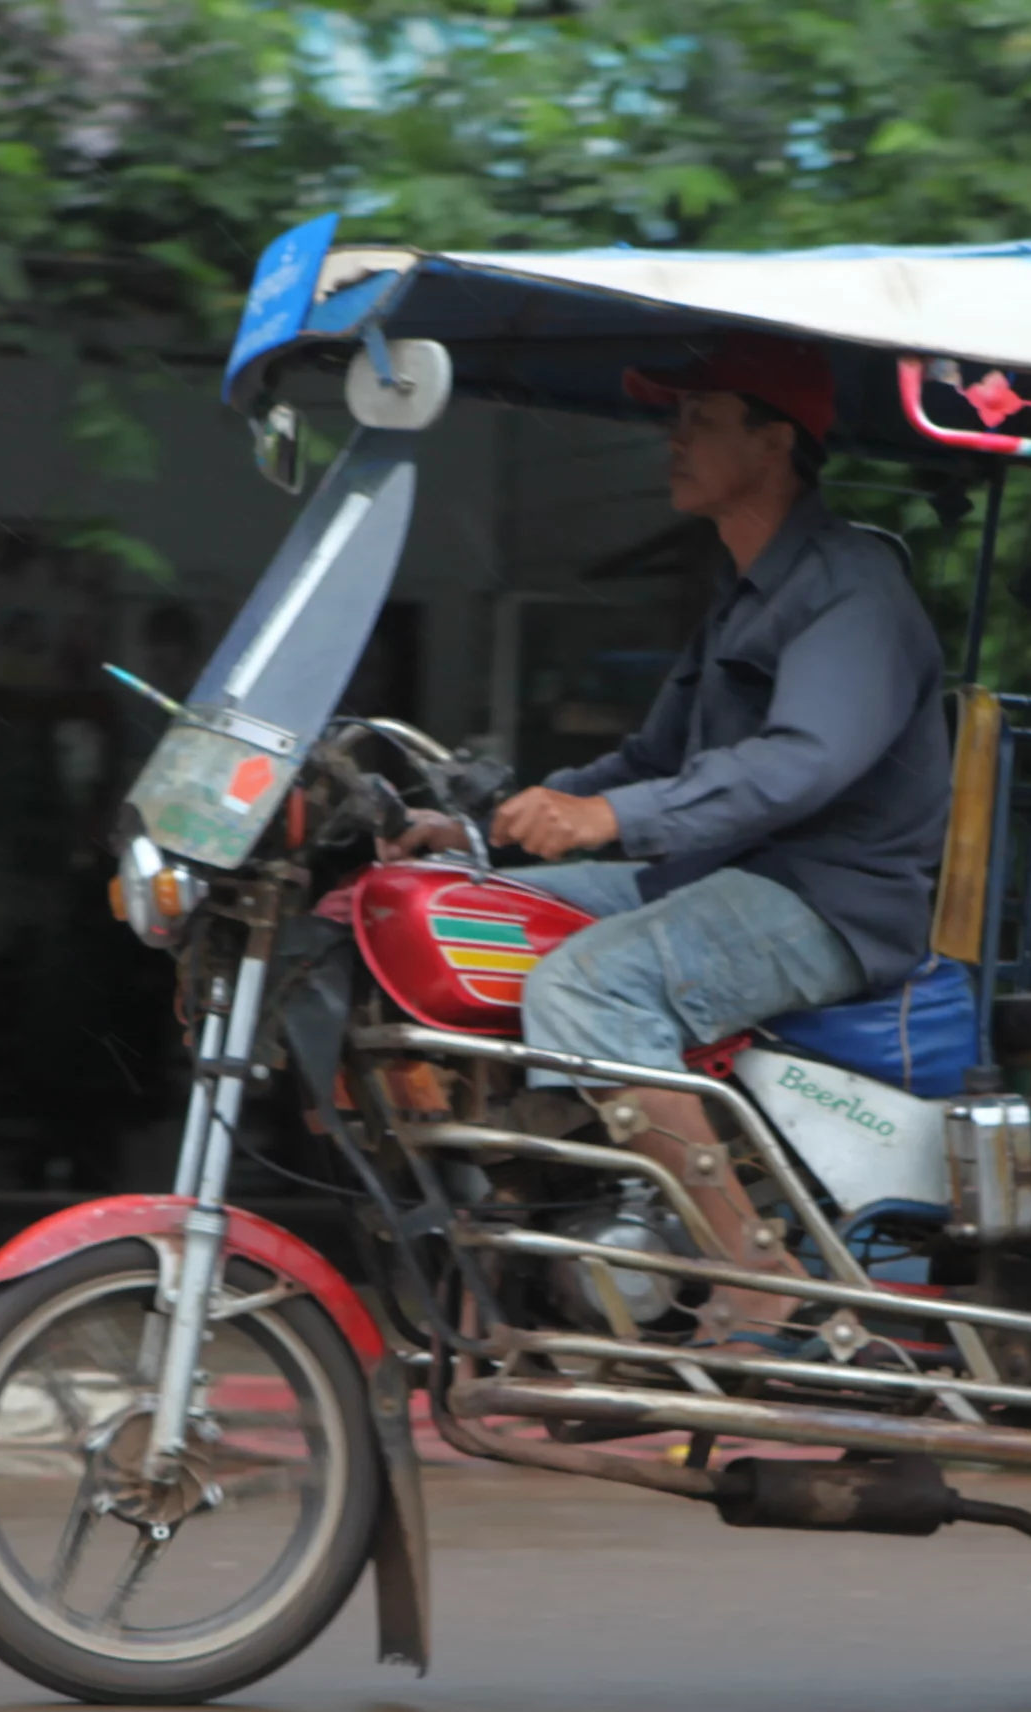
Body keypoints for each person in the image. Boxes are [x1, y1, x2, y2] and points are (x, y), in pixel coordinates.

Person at [383, 331, 950, 1334]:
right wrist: (479, 832)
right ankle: (553, 1195)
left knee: (589, 983)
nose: (674, 441)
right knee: (474, 914)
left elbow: (801, 762)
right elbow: (651, 761)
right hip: (716, 875)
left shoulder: (852, 587)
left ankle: (754, 1277)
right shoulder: (745, 591)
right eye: (674, 421)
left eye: (701, 420)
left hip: (825, 900)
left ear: (774, 443)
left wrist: (609, 820)